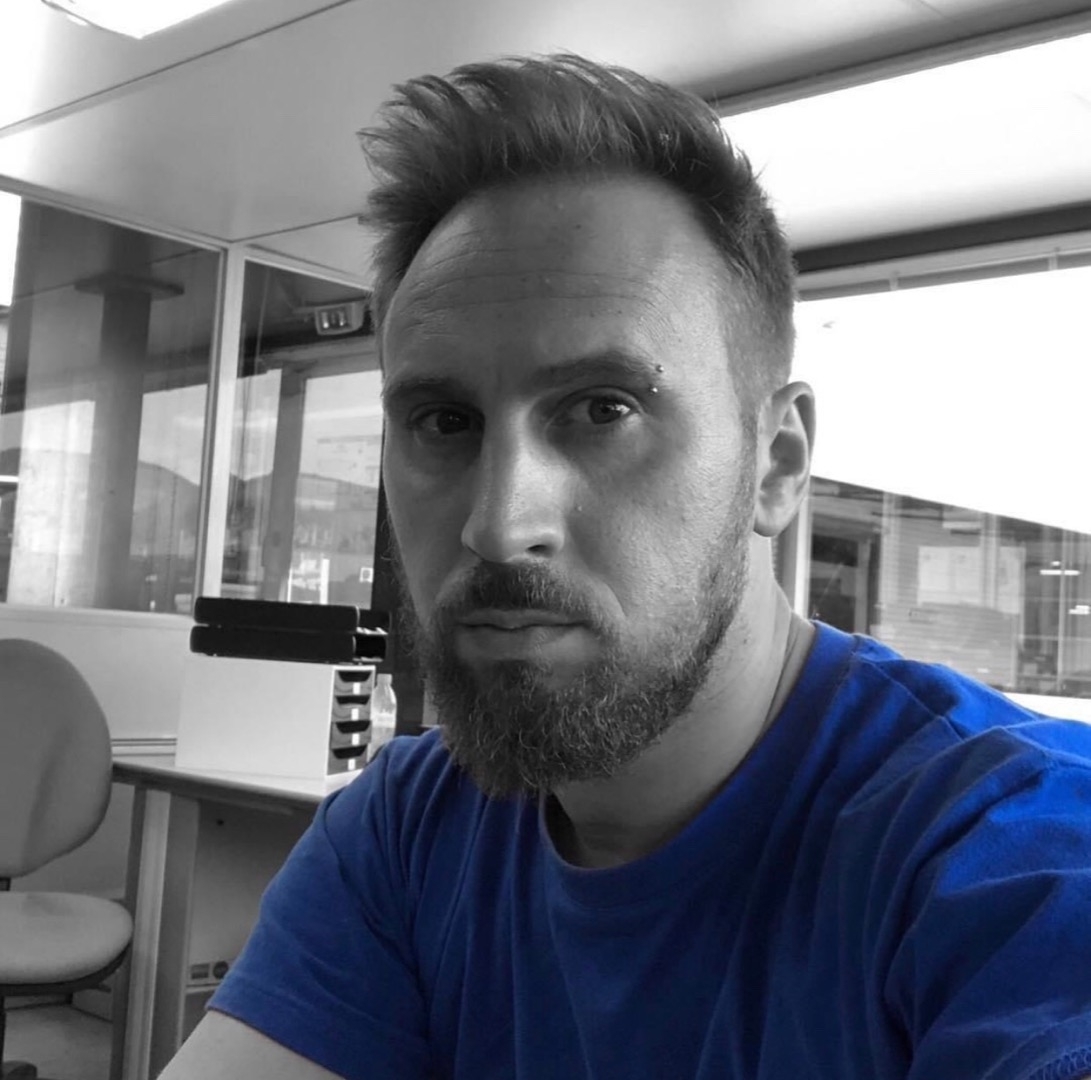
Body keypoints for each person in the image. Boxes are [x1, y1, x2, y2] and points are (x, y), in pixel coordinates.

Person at [161, 55, 1091, 1080]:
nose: (498, 525)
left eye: (603, 409)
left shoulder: (1012, 852)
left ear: (775, 464)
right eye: (443, 421)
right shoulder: (404, 830)